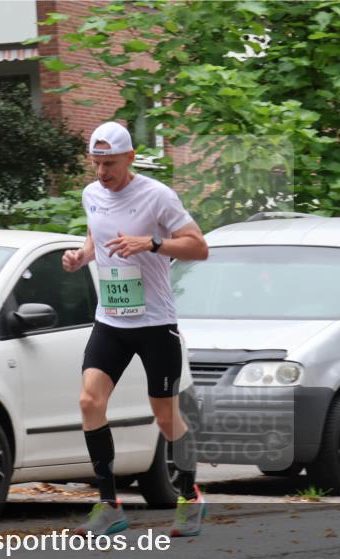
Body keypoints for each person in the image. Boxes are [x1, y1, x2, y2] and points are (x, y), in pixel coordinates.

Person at [62, 121, 209, 537]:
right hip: (111, 319)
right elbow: (96, 234)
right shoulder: (92, 194)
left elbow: (199, 246)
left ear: (129, 157)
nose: (102, 173)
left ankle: (190, 497)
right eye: (96, 164)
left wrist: (152, 243)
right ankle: (109, 507)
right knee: (90, 402)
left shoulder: (157, 196)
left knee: (165, 417)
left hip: (155, 322)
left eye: (109, 163)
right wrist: (81, 256)